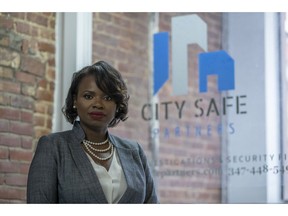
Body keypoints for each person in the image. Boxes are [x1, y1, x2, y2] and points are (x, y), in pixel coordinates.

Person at [27, 60, 159, 203]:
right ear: (75, 101)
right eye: (88, 96)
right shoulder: (53, 147)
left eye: (107, 97)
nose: (98, 104)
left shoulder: (134, 152)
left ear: (117, 105)